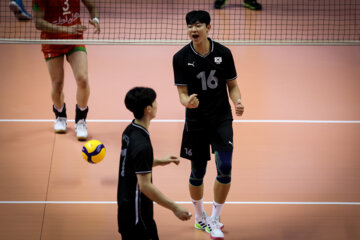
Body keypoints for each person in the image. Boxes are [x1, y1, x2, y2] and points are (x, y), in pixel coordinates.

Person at [172, 10, 244, 240]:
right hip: (196, 121)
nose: (193, 30)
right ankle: (199, 216)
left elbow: (232, 85)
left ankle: (214, 217)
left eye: (198, 25)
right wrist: (188, 103)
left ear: (208, 28)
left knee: (225, 168)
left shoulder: (224, 53)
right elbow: (181, 94)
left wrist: (238, 101)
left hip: (221, 118)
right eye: (190, 26)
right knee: (198, 172)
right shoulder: (180, 57)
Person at [117, 87, 192, 240]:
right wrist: (175, 207)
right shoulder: (142, 145)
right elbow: (145, 186)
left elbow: (134, 163)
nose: (157, 104)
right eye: (155, 101)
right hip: (138, 216)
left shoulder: (129, 130)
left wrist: (159, 161)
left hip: (125, 206)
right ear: (148, 109)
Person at [32, 0, 100, 140]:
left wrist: (95, 19)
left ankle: (80, 120)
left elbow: (91, 6)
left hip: (74, 40)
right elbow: (38, 23)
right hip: (52, 43)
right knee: (57, 84)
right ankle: (60, 115)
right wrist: (66, 29)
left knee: (83, 79)